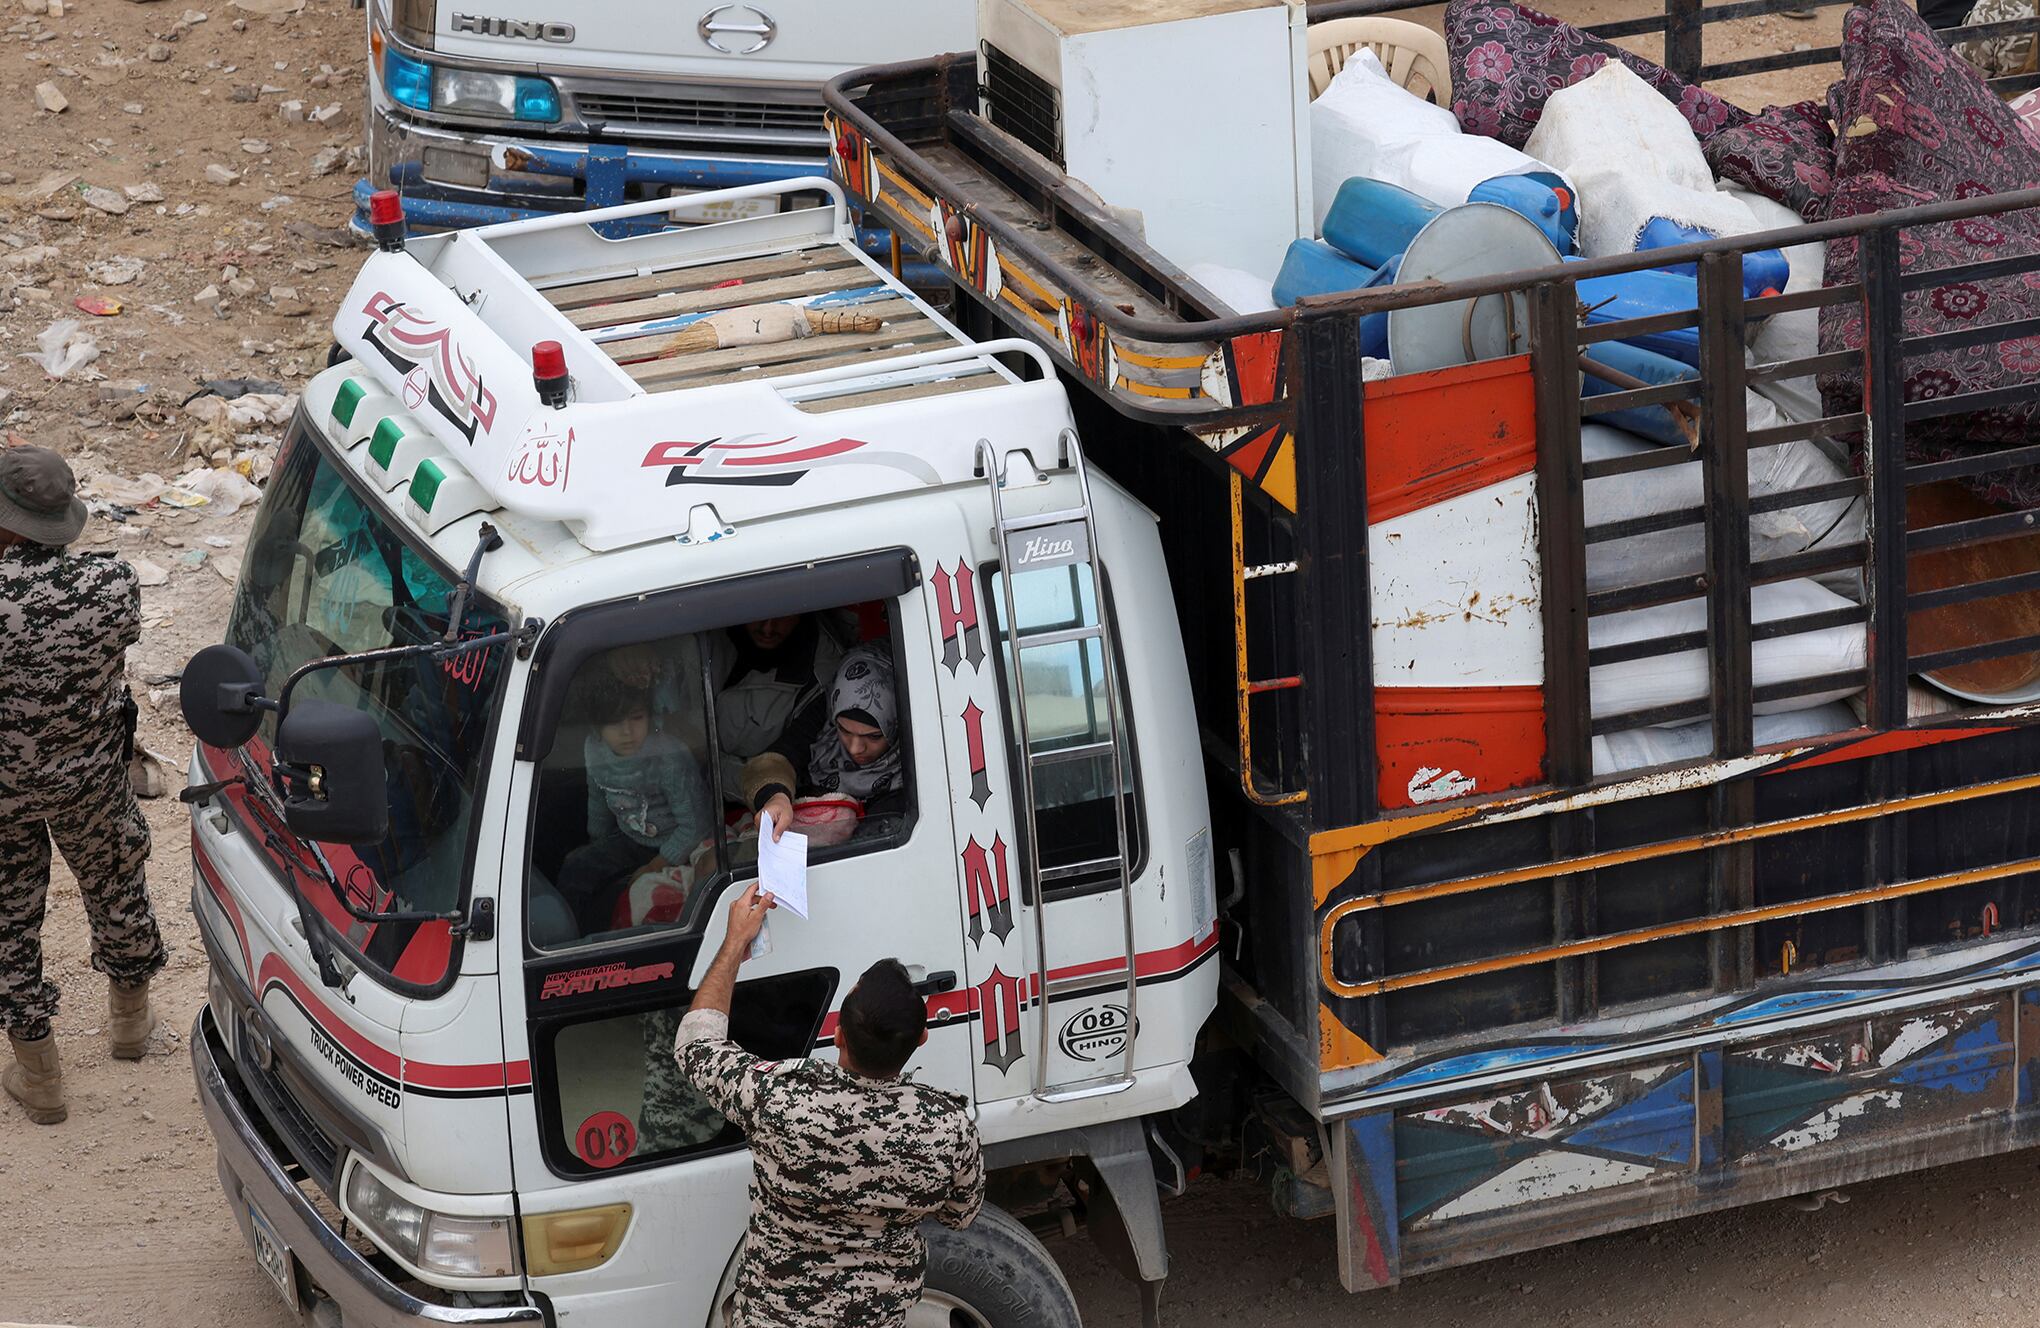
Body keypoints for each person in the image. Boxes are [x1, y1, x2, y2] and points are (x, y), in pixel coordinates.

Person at [676, 883, 984, 1328]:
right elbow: (960, 1215)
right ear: (921, 1039)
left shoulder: (781, 1100)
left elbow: (696, 1045)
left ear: (837, 1034)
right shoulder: (949, 1130)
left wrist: (735, 943)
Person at [0, 447, 165, 1125]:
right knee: (116, 883)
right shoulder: (111, 583)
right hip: (90, 780)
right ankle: (129, 1023)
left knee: (8, 922)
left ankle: (41, 1076)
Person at [558, 673, 713, 934]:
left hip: (679, 842)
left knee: (630, 894)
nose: (627, 731)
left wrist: (655, 865)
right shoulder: (594, 750)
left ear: (651, 717)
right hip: (630, 838)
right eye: (613, 722)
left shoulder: (668, 758)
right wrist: (599, 844)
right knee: (576, 867)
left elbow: (695, 823)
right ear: (596, 727)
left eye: (636, 718)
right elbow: (598, 801)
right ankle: (575, 942)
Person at [743, 642, 908, 843]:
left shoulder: (913, 772)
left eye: (873, 736)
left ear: (897, 725)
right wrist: (776, 798)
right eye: (844, 730)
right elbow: (774, 761)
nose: (855, 748)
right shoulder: (821, 722)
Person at [705, 612, 849, 795]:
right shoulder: (704, 632)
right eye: (758, 614)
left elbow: (791, 754)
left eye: (782, 616)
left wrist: (765, 792)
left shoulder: (822, 678)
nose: (768, 628)